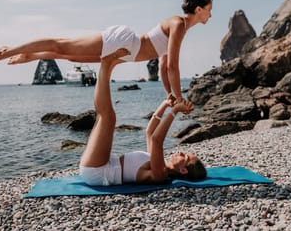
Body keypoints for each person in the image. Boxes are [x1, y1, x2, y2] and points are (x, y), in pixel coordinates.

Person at [0, 0, 214, 104]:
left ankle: (33, 56)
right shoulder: (178, 24)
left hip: (127, 54)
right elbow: (173, 66)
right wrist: (179, 97)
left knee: (71, 57)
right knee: (63, 44)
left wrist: (169, 95)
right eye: (209, 10)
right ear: (199, 9)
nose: (211, 16)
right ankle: (8, 50)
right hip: (125, 42)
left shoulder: (180, 26)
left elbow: (163, 67)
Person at [79, 49, 207, 186]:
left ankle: (106, 64)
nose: (181, 152)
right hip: (104, 165)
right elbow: (150, 132)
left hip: (99, 172)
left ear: (183, 171)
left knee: (107, 117)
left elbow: (157, 140)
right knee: (105, 117)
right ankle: (107, 66)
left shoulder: (160, 173)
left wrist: (175, 111)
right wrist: (164, 105)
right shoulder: (159, 162)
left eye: (185, 157)